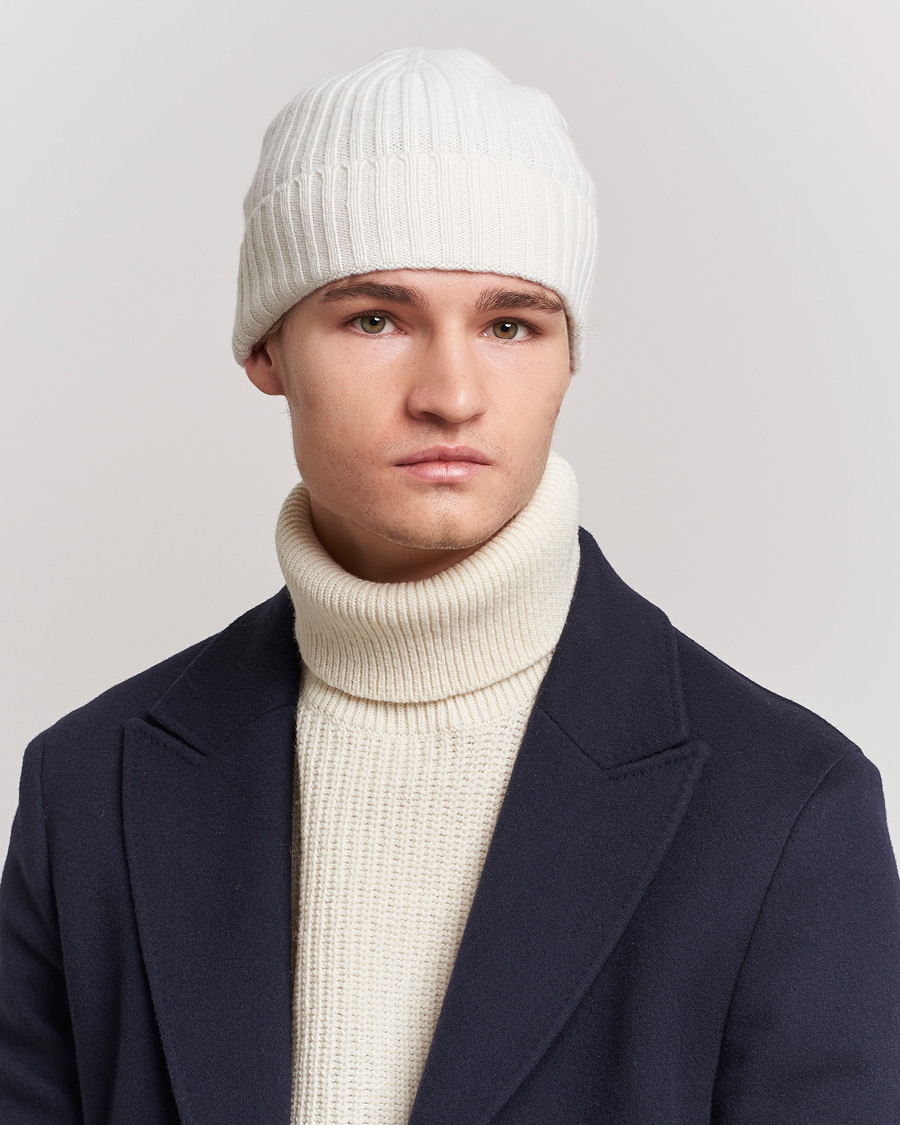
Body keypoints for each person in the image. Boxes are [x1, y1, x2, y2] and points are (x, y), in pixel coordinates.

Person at [0, 45, 898, 1125]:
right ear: (267, 351)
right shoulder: (87, 792)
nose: (452, 394)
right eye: (375, 319)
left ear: (568, 356)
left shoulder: (788, 811)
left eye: (510, 324)